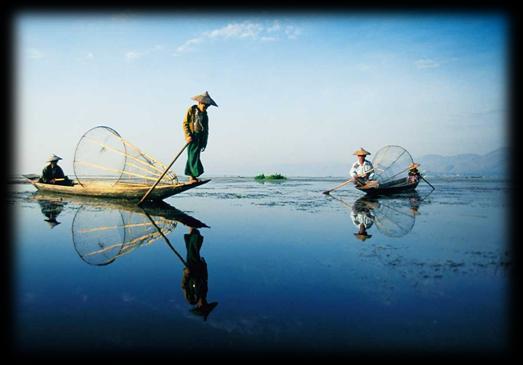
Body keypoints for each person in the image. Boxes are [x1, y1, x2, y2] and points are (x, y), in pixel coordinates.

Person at [181, 227, 218, 321]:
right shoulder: (204, 292)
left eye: (202, 305)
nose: (203, 303)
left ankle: (192, 232)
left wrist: (186, 273)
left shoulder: (191, 299)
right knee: (193, 252)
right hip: (198, 267)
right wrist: (204, 265)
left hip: (191, 269)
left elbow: (184, 286)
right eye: (205, 304)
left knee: (192, 252)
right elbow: (205, 277)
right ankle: (193, 232)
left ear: (198, 306)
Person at [182, 91, 218, 184]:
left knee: (195, 156)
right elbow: (185, 124)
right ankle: (192, 177)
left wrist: (204, 142)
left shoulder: (205, 115)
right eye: (205, 105)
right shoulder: (192, 110)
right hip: (192, 137)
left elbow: (206, 130)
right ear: (200, 103)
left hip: (200, 137)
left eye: (207, 106)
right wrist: (188, 136)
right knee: (192, 156)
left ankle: (192, 177)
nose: (206, 107)